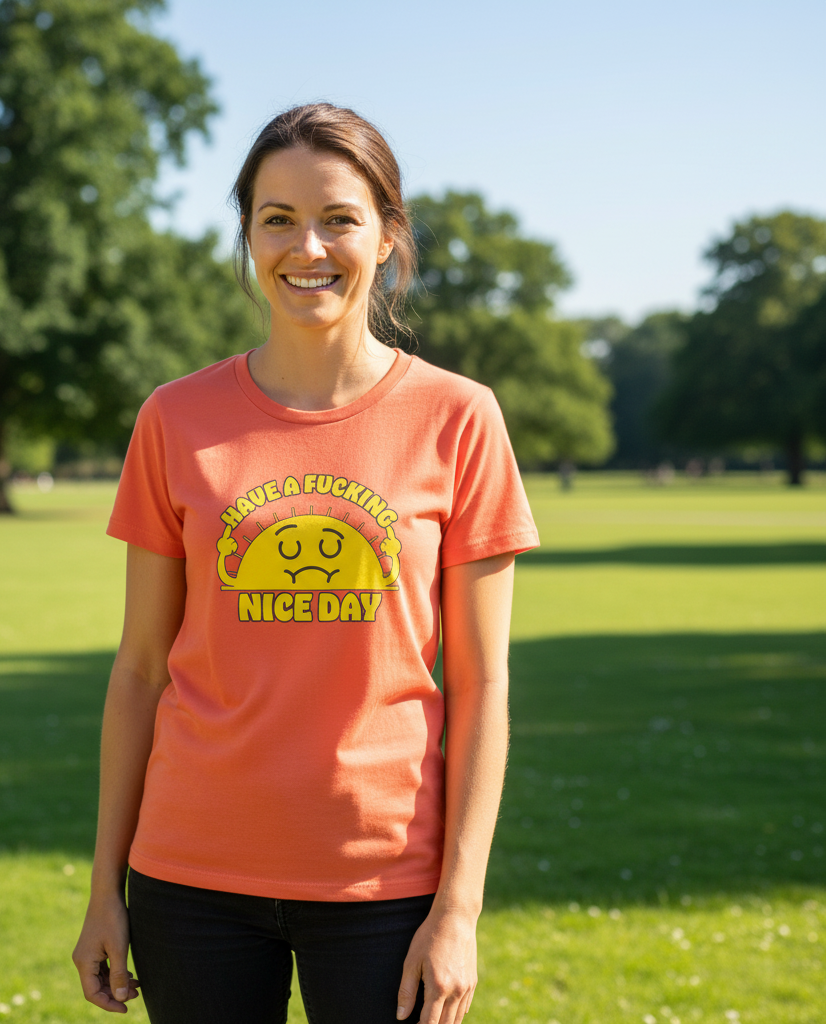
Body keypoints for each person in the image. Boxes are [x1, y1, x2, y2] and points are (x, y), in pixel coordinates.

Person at [72, 103, 539, 1024]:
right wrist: (103, 890)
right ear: (248, 235)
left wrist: (460, 907)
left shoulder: (460, 417)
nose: (307, 247)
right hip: (190, 879)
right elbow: (139, 671)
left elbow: (482, 685)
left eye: (339, 218)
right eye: (277, 218)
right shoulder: (174, 418)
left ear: (388, 236)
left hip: (386, 884)